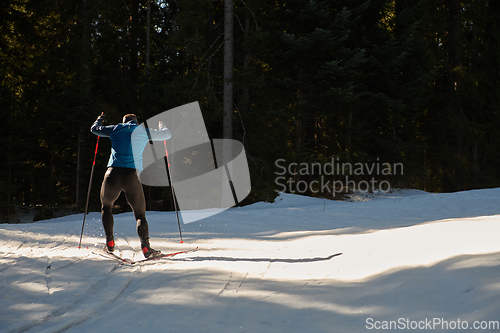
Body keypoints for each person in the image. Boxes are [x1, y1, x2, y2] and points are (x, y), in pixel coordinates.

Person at [90, 113, 171, 258]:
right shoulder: (143, 131)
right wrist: (162, 126)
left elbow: (94, 129)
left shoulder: (115, 129)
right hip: (132, 176)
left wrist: (100, 119)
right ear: (136, 122)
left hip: (112, 174)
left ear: (123, 121)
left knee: (106, 207)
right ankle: (146, 248)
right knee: (140, 214)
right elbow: (166, 135)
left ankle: (109, 242)